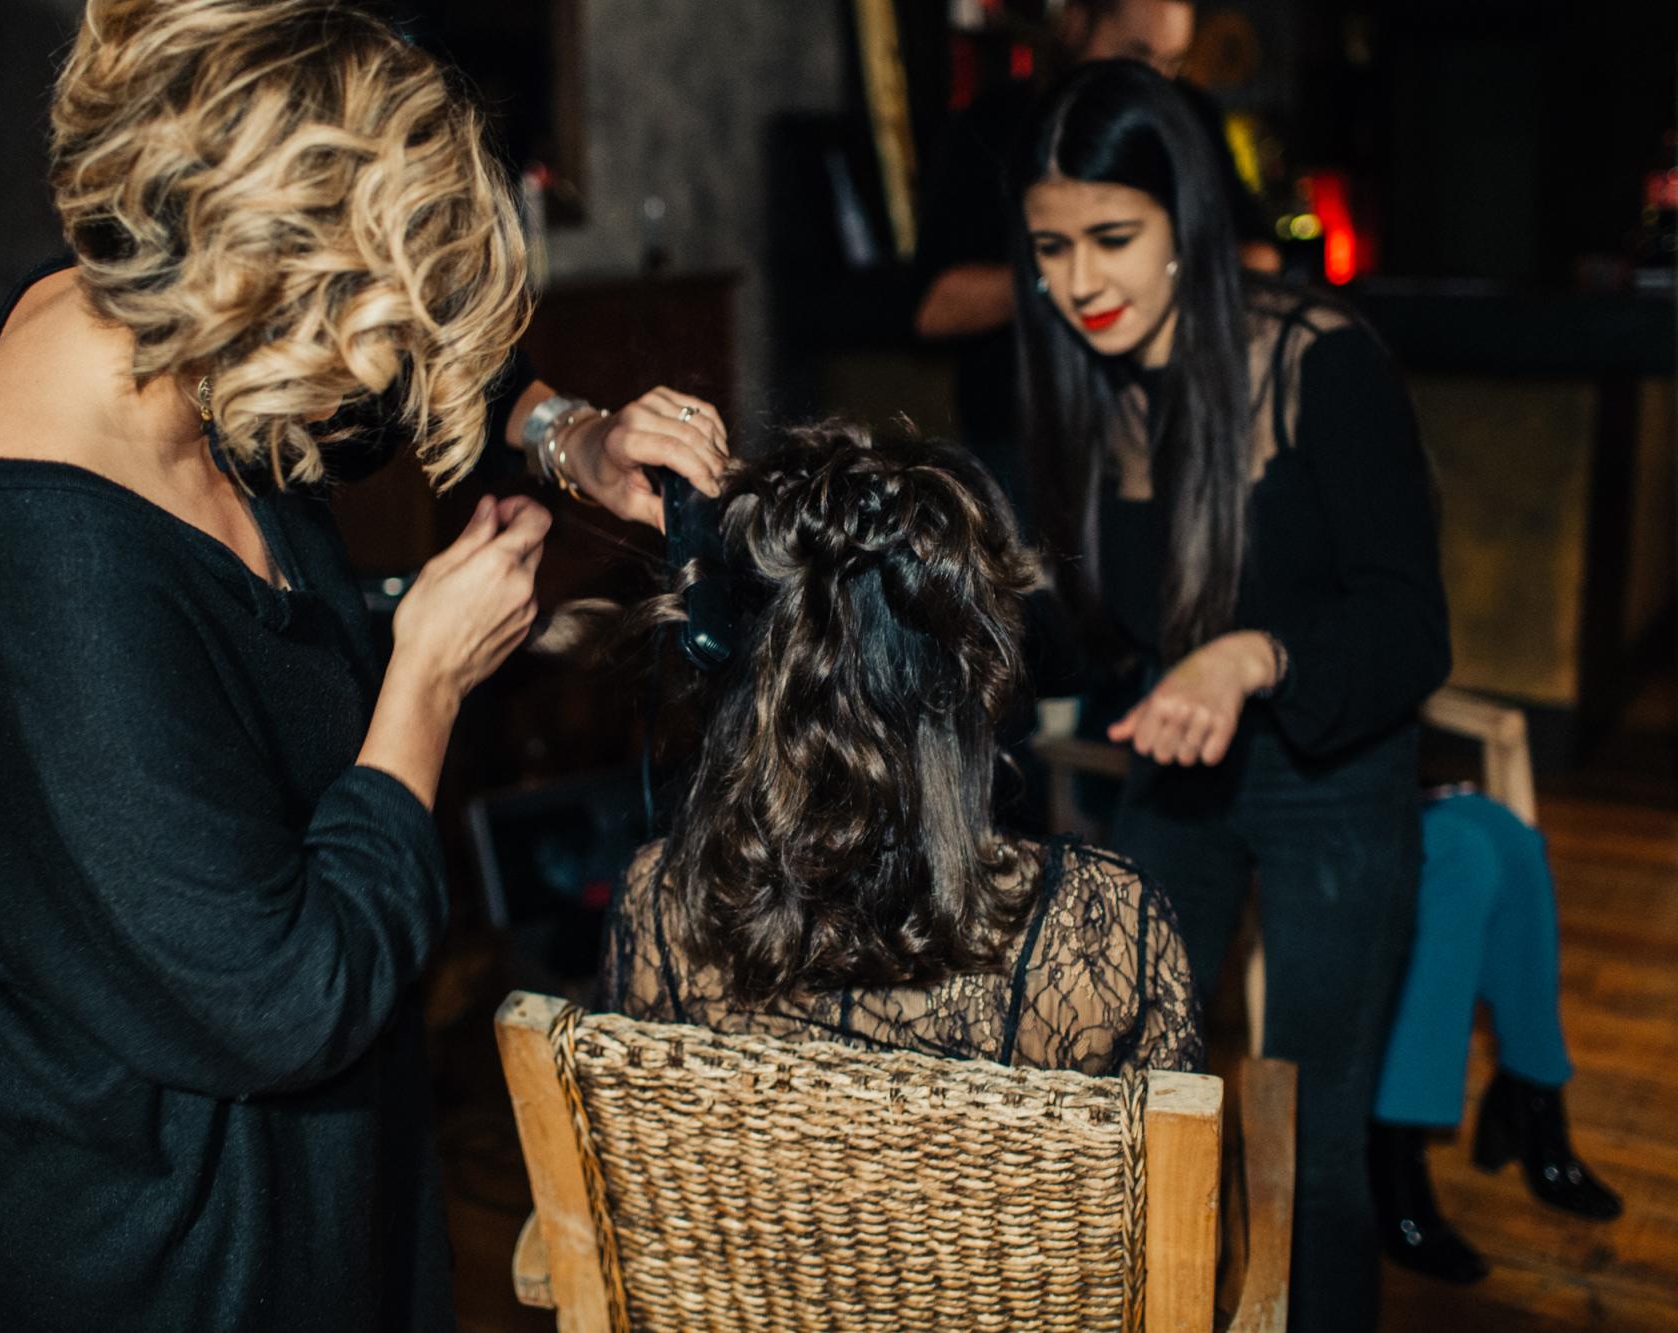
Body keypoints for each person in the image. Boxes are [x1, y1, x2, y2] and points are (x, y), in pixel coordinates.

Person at [0, 3, 725, 1329]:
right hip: (166, 1229)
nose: (388, 384)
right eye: (375, 325)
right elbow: (284, 997)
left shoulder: (187, 337)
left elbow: (427, 362)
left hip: (322, 1164)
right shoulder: (54, 567)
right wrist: (424, 684)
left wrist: (574, 439)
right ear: (280, 285)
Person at [1010, 62, 1449, 1330]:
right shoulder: (1081, 383)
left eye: (1112, 239)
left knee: (1307, 1147)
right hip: (1177, 765)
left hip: (1336, 780)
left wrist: (1252, 653)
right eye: (1050, 247)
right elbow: (1083, 633)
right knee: (1122, 1094)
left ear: (1184, 226)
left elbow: (1409, 627)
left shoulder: (1316, 360)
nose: (1079, 281)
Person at [591, 423, 1202, 1078]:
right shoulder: (1100, 933)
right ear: (973, 675)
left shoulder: (660, 906)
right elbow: (1167, 1176)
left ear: (743, 667)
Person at [914, 0, 1276, 519]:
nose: (1154, 80)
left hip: (1167, 432)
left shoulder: (1188, 114)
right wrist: (1060, 274)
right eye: (1136, 54)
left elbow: (1260, 256)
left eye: (1172, 63)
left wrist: (1159, 270)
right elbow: (933, 309)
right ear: (1078, 23)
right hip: (1020, 443)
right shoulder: (993, 123)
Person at [1370, 790, 1623, 1283]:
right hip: (1293, 785)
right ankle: (1393, 1146)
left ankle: (1531, 1097)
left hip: (1378, 773)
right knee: (1458, 856)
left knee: (1514, 841)